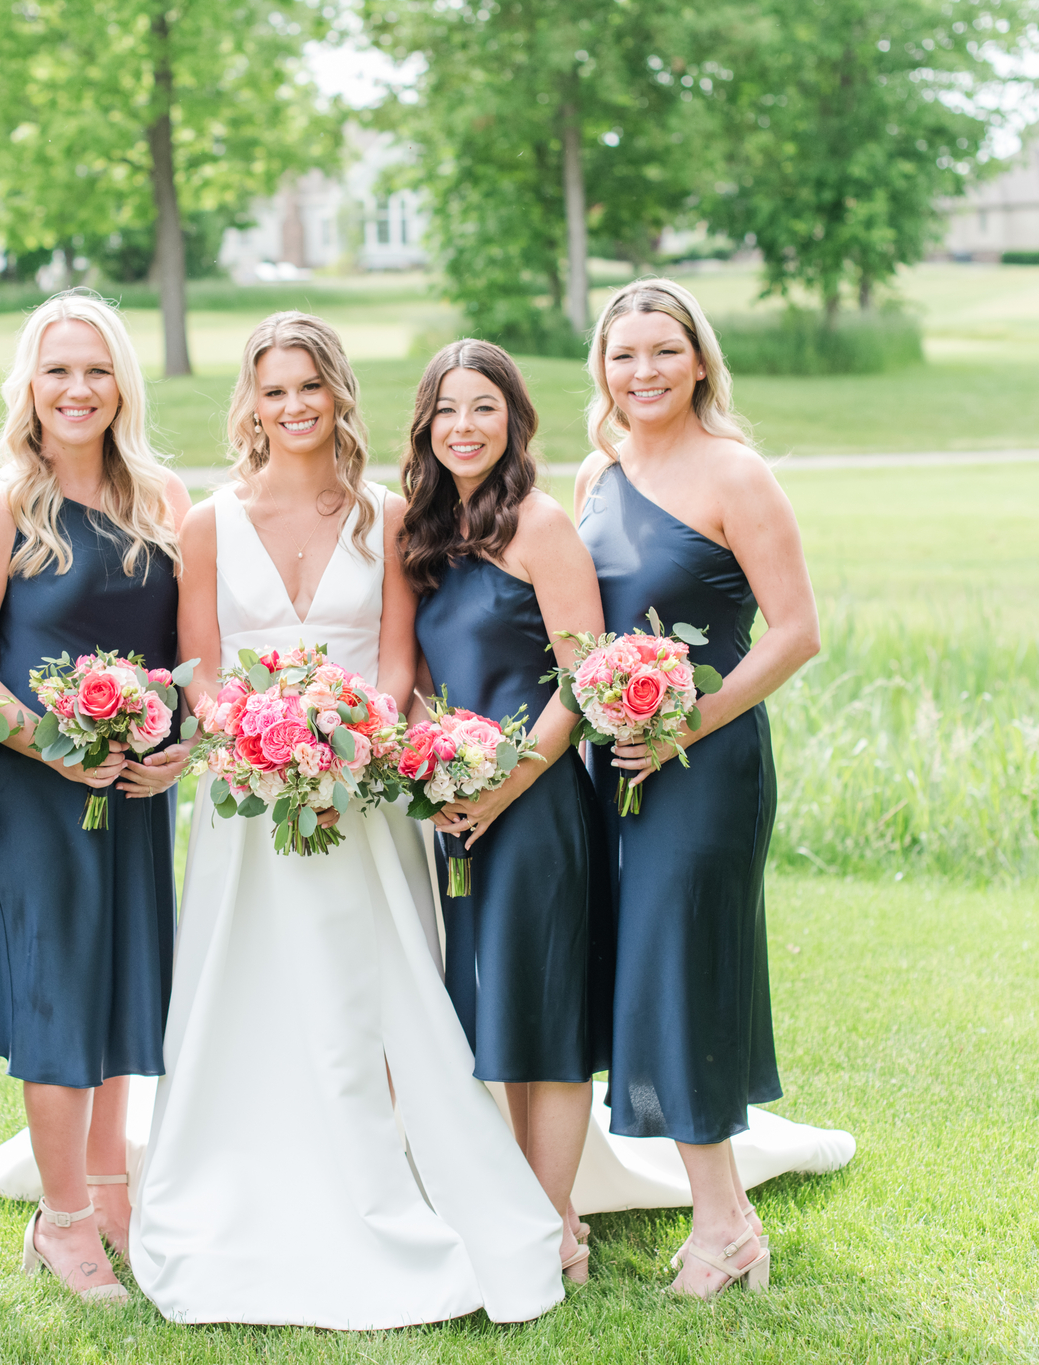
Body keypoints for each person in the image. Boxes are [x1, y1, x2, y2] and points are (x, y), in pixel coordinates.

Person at [126, 312, 565, 1329]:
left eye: (308, 387)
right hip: (246, 804)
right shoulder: (208, 524)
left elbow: (396, 662)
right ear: (251, 401)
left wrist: (350, 740)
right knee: (251, 991)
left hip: (361, 795)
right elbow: (197, 673)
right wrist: (247, 740)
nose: (292, 407)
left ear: (336, 394)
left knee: (368, 995)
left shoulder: (383, 517)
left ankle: (395, 1172)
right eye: (273, 390)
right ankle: (250, 1177)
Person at [0, 290, 191, 1307]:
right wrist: (50, 745)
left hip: (133, 783)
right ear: (27, 388)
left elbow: (188, 661)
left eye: (94, 370)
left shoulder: (163, 500)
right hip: (38, 793)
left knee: (126, 986)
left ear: (120, 382)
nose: (76, 390)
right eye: (56, 371)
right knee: (57, 995)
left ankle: (112, 1196)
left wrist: (176, 745)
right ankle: (64, 1222)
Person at [574, 277, 823, 1298]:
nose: (643, 373)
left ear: (699, 361)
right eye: (623, 355)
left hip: (705, 764)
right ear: (601, 367)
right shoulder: (596, 473)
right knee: (635, 973)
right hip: (608, 767)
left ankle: (725, 1225)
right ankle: (718, 1215)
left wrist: (687, 718)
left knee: (685, 972)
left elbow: (796, 632)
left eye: (662, 352)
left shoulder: (735, 473)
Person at [399, 339, 611, 1283]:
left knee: (548, 1011)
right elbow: (415, 682)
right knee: (498, 1011)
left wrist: (502, 784)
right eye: (448, 410)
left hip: (535, 803)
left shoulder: (541, 523)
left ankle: (553, 1218)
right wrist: (433, 773)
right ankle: (525, 1206)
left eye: (483, 407)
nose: (464, 427)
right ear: (426, 426)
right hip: (456, 809)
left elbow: (581, 680)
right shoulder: (424, 534)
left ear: (514, 419)